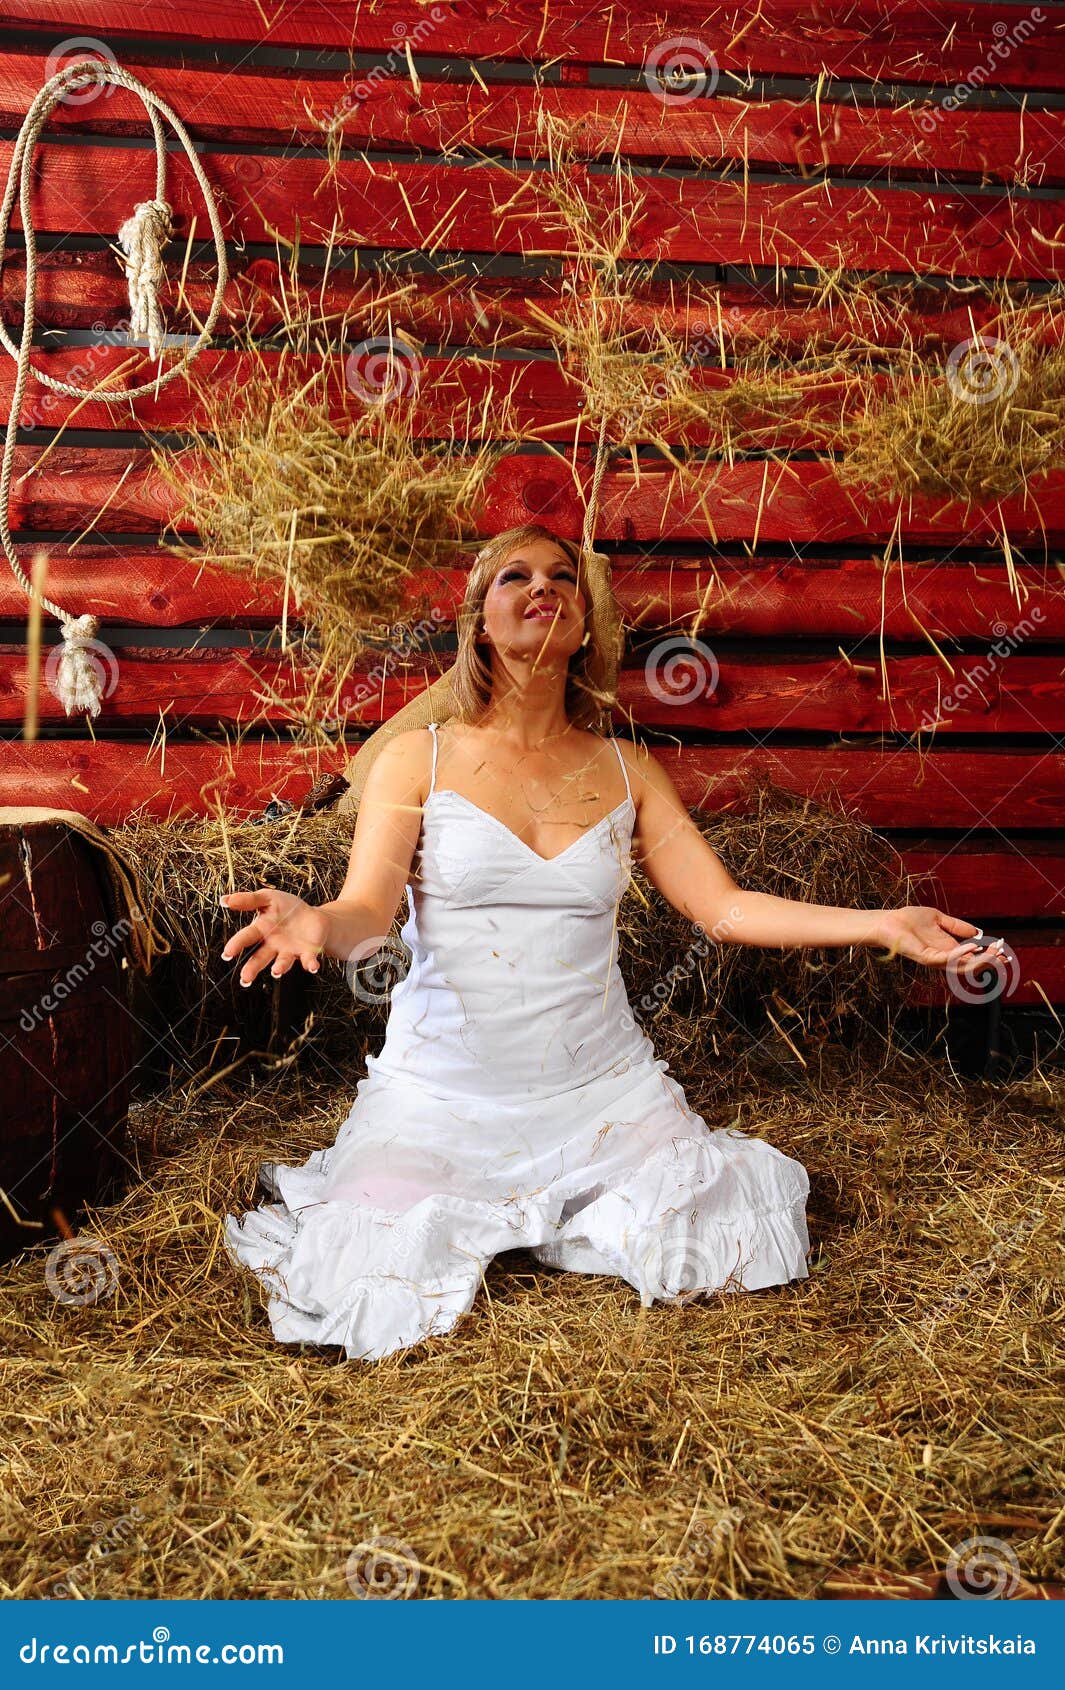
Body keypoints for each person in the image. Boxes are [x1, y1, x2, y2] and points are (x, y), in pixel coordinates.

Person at [220, 523, 995, 1363]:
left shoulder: (627, 769)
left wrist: (881, 924)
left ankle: (577, 1203)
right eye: (514, 576)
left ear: (586, 626)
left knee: (731, 1237)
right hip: (441, 1094)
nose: (540, 587)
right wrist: (317, 924)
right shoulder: (418, 759)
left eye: (561, 578)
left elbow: (723, 908)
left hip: (601, 1096)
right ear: (480, 621)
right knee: (362, 1273)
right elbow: (367, 910)